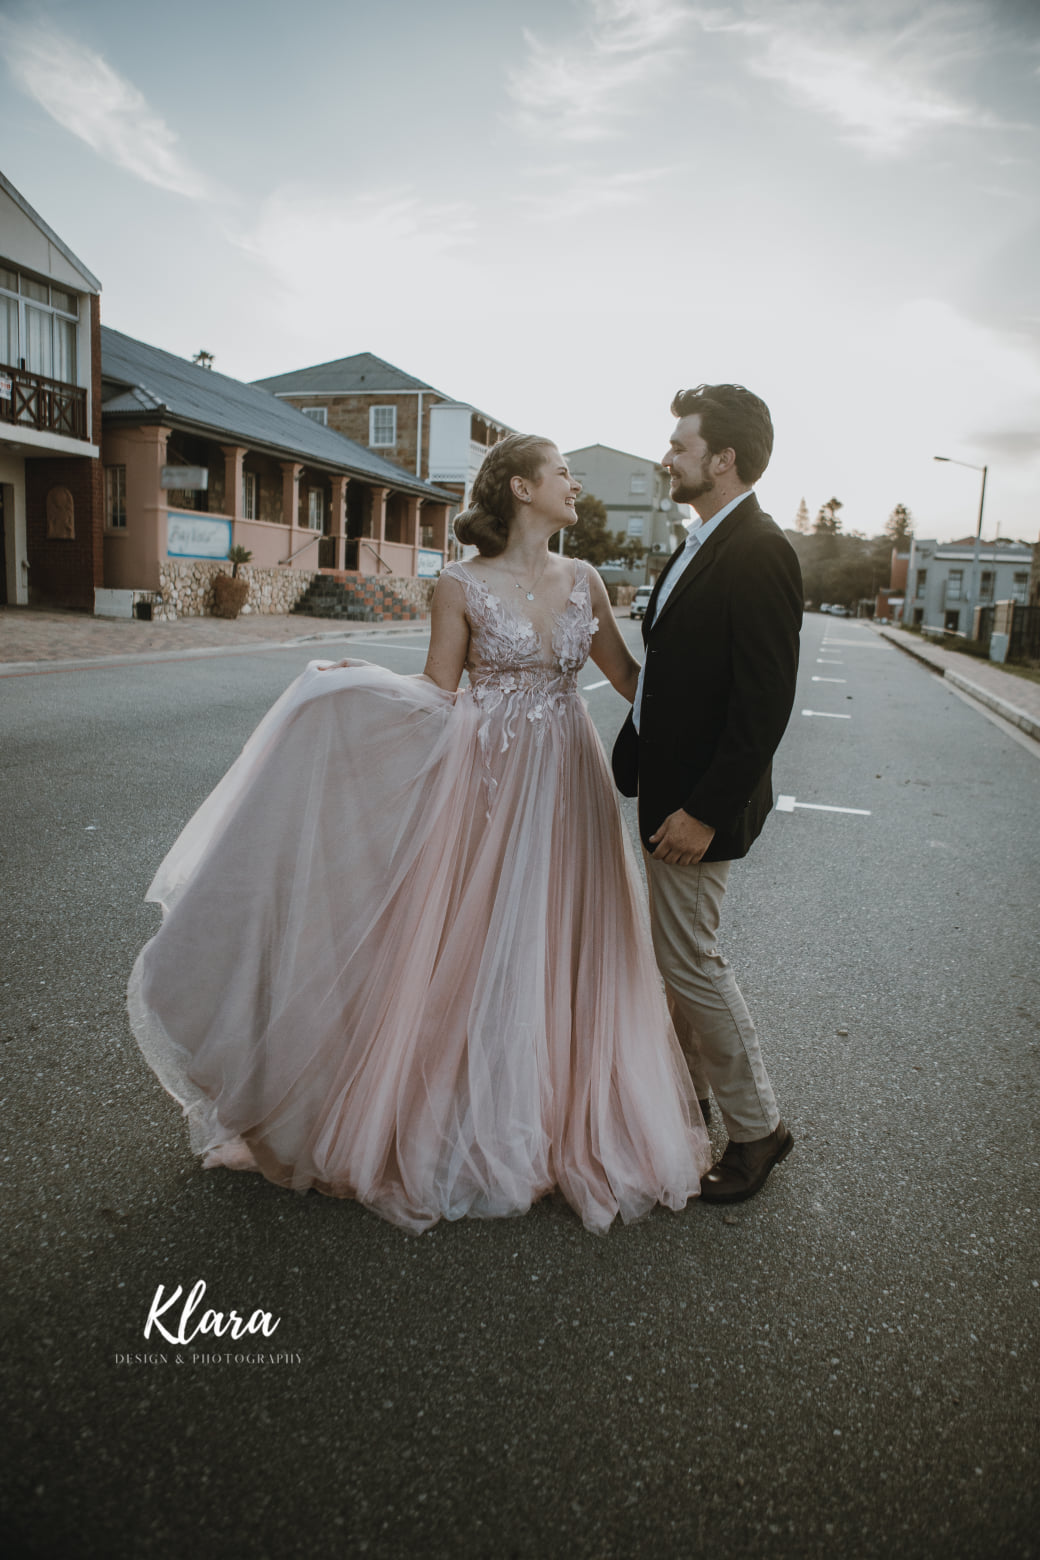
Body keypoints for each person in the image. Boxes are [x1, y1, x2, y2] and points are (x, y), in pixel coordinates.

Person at [127, 434, 710, 1235]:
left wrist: (715, 720)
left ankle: (554, 1109)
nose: (575, 485)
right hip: (492, 780)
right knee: (483, 937)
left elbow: (630, 680)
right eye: (563, 474)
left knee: (562, 935)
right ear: (519, 487)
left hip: (569, 779)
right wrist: (353, 685)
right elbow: (437, 692)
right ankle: (477, 1110)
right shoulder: (459, 584)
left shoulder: (587, 581)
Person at [612, 385, 803, 1204]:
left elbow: (763, 704)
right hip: (664, 784)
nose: (668, 457)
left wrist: (704, 810)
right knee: (676, 956)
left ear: (722, 458)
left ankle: (756, 1129)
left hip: (698, 804)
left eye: (681, 446)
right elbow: (671, 669)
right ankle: (687, 1100)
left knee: (691, 962)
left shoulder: (760, 549)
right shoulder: (698, 540)